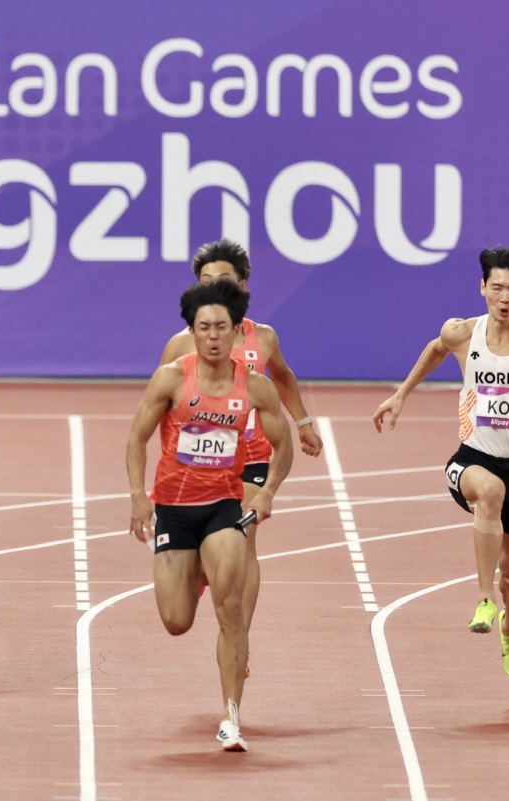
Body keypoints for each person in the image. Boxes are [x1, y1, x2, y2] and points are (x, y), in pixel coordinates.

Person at [373, 248, 509, 678]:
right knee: (489, 493)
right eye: (497, 288)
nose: (505, 296)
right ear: (483, 289)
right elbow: (436, 350)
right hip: (471, 461)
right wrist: (401, 394)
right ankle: (483, 596)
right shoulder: (462, 333)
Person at [127, 280, 292, 752]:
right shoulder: (172, 378)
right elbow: (136, 437)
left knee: (231, 610)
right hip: (174, 511)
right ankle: (193, 564)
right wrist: (139, 497)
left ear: (236, 329)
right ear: (193, 331)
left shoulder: (255, 387)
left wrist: (267, 493)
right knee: (177, 621)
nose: (214, 336)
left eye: (222, 326)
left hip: (225, 508)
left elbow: (281, 446)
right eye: (205, 328)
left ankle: (231, 716)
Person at [158, 238, 320, 676]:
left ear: (243, 286)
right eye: (205, 283)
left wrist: (302, 423)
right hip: (196, 470)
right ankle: (198, 571)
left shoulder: (263, 338)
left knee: (245, 540)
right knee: (204, 563)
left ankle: (239, 638)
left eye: (223, 282)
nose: (213, 290)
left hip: (249, 456)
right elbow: (161, 412)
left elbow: (283, 379)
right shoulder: (180, 344)